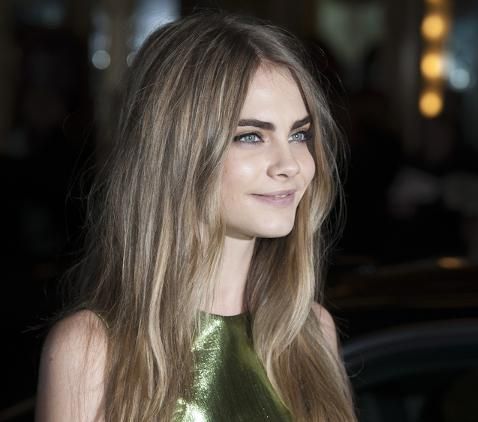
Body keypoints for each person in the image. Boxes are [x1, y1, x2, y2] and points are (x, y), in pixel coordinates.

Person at [35, 12, 356, 421]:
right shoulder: (91, 351)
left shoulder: (312, 333)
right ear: (179, 154)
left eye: (299, 134)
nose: (290, 164)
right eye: (251, 136)